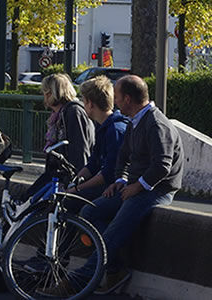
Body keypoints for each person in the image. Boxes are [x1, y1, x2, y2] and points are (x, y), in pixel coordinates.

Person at [44, 75, 185, 296]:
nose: (114, 101)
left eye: (117, 97)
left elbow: (162, 166)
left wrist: (136, 186)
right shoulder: (136, 121)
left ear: (128, 99)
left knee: (112, 233)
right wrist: (120, 180)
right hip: (133, 185)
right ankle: (116, 269)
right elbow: (123, 158)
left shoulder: (156, 124)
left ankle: (79, 282)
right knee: (90, 211)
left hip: (155, 190)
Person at [22, 73, 94, 201]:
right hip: (57, 173)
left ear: (52, 93)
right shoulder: (59, 114)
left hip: (67, 175)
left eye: (46, 92)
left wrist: (76, 181)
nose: (44, 96)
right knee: (27, 199)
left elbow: (80, 148)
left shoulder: (73, 112)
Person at [66, 76, 129, 203]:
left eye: (84, 101)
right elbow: (93, 164)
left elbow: (108, 173)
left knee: (75, 204)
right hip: (107, 183)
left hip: (115, 186)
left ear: (90, 104)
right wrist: (74, 182)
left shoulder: (115, 130)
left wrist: (76, 189)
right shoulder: (102, 126)